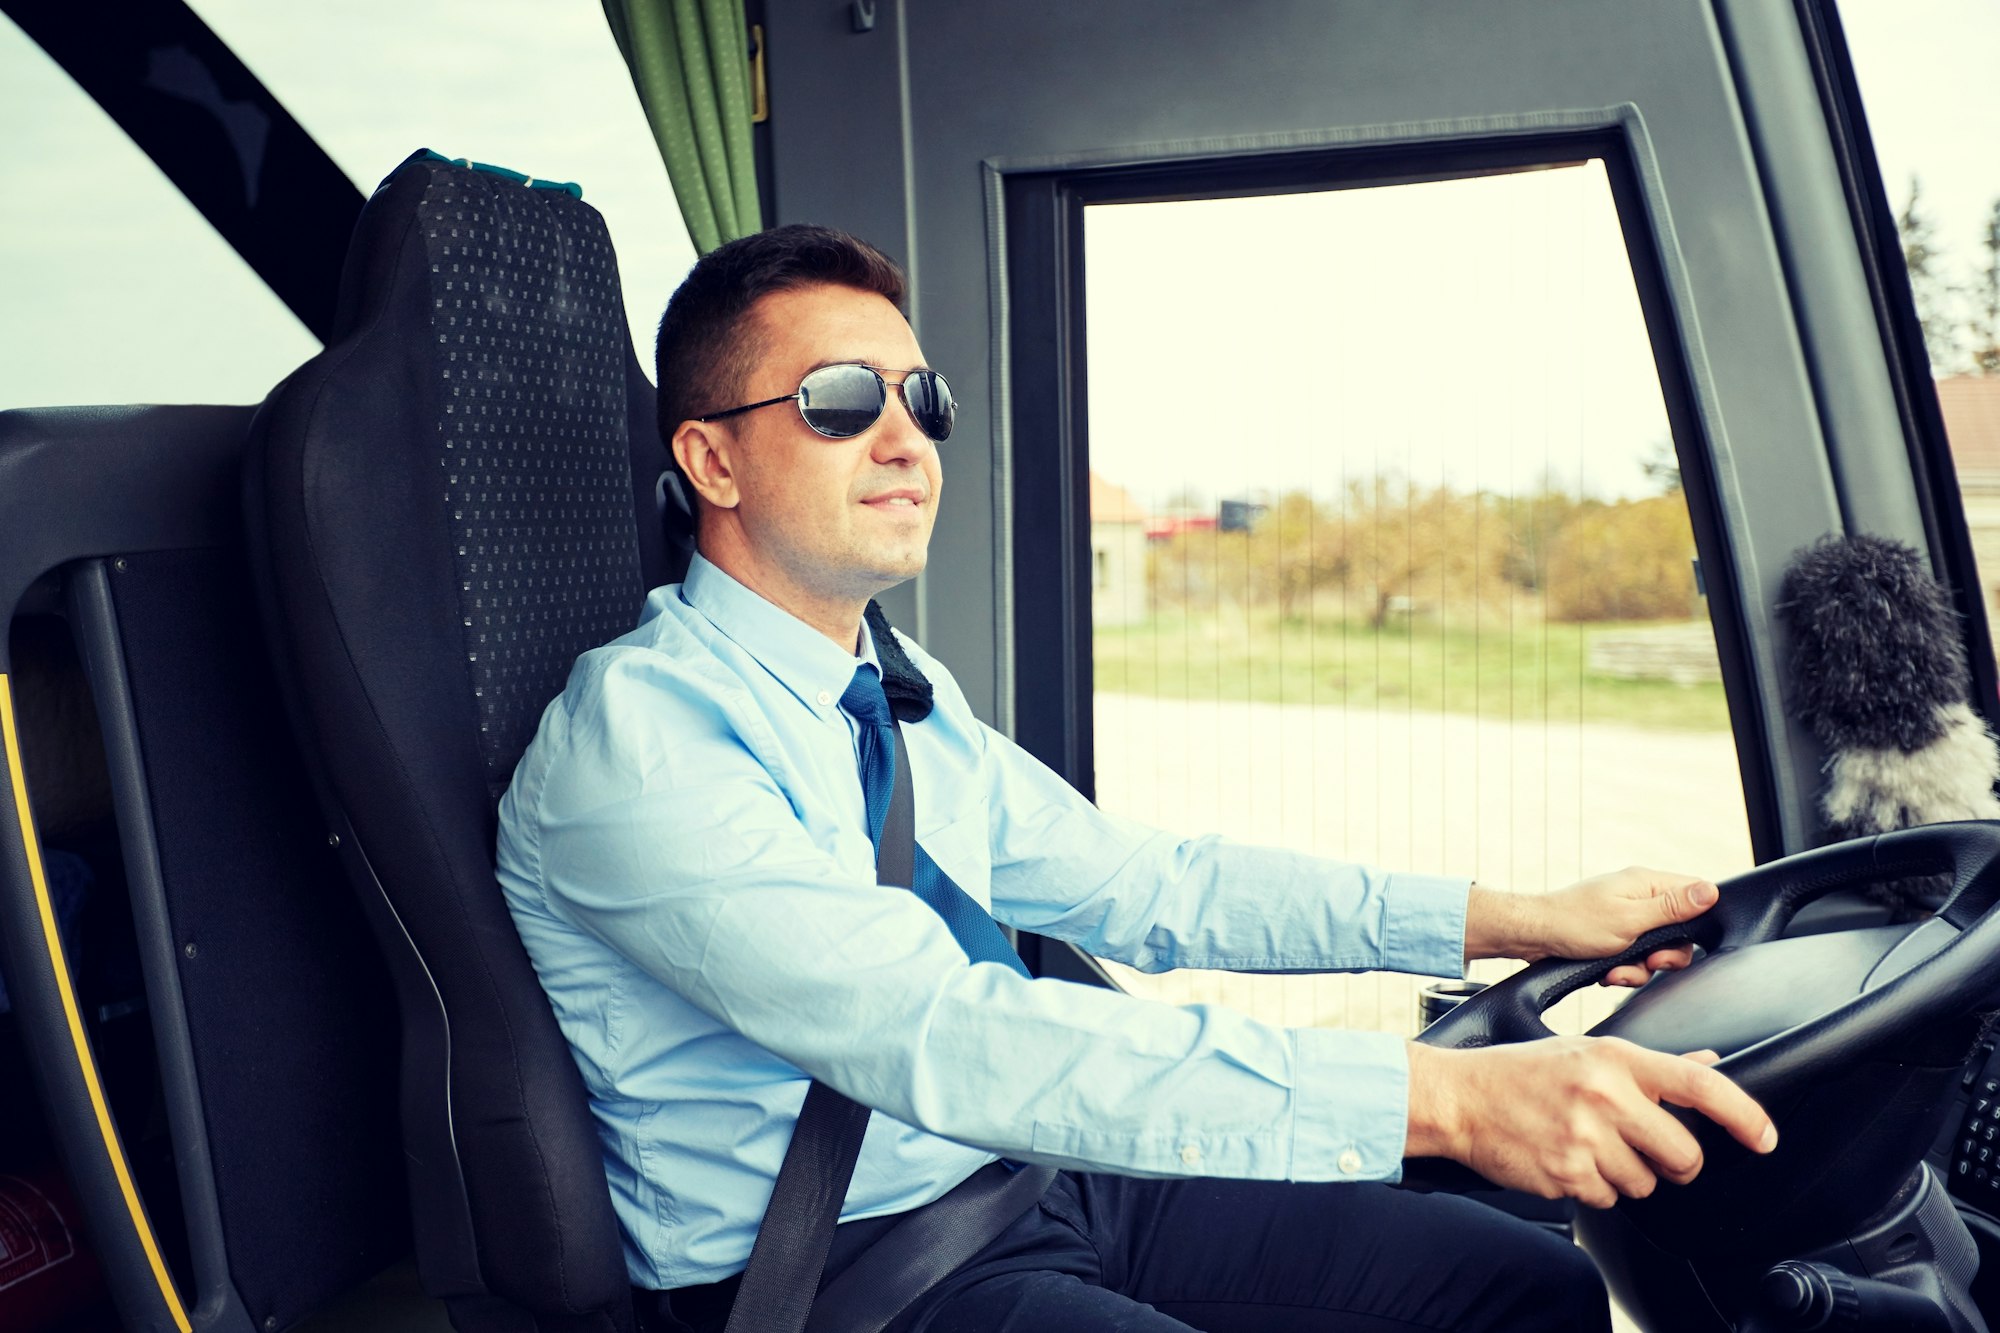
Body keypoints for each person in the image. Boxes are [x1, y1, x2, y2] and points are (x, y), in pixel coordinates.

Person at [495, 223, 1777, 1333]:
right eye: (838, 400)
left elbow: (1144, 884)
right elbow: (941, 1032)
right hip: (845, 1268)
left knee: (1520, 1287)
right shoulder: (639, 743)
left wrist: (1520, 918)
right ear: (712, 463)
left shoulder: (885, 682)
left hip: (1017, 1172)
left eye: (920, 399)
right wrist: (1439, 1099)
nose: (901, 437)